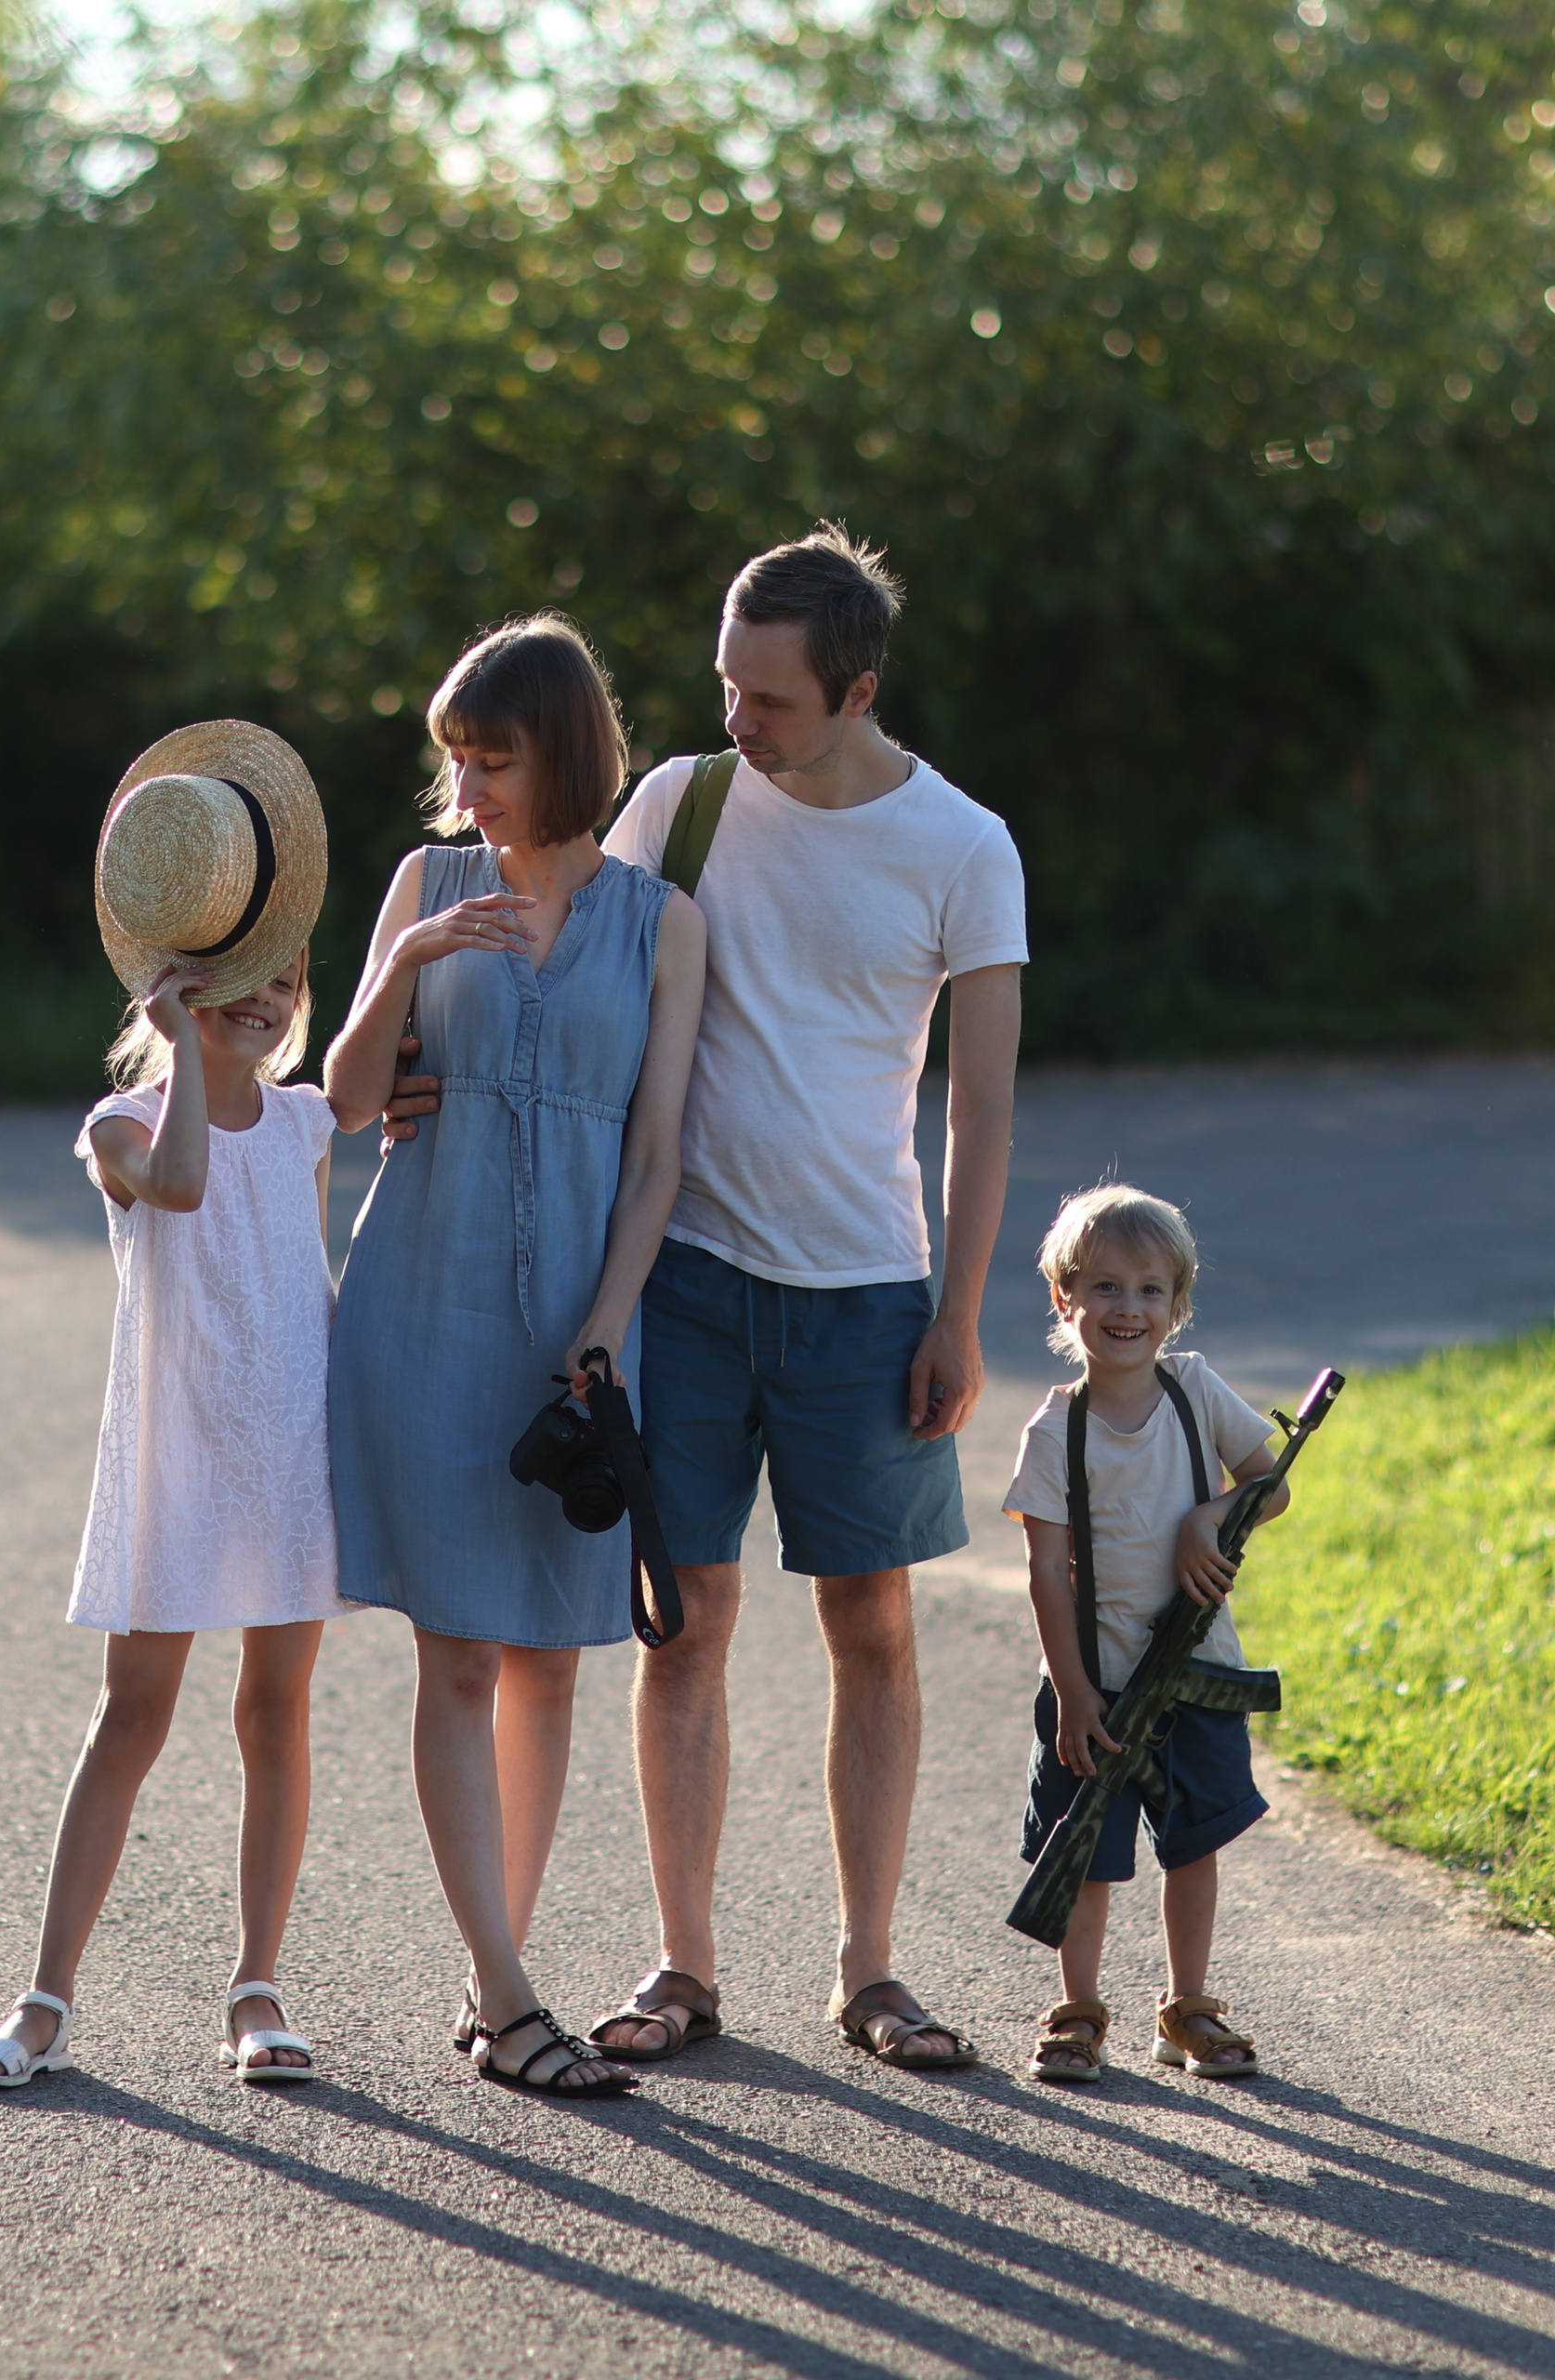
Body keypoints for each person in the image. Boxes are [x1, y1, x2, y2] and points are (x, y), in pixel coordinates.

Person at [387, 529, 1024, 2068]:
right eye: (727, 684)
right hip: (680, 1281)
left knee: (871, 1623)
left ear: (856, 691)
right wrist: (414, 1058)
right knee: (685, 1625)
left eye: (771, 698)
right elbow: (552, 950)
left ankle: (870, 1971)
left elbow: (983, 1108)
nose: (736, 716)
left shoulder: (963, 846)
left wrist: (959, 1311)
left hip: (867, 1291)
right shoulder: (685, 800)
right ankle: (685, 1967)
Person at [324, 615, 706, 2101]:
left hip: (578, 1326)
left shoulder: (664, 922)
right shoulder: (427, 884)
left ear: (566, 752)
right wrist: (406, 961)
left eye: (495, 759)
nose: (469, 788)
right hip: (423, 1303)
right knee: (459, 1653)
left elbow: (658, 1154)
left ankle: (503, 1974)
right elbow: (348, 1097)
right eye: (458, 761)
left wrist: (609, 1317)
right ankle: (507, 1993)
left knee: (548, 1656)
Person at [0, 723, 342, 2089]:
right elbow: (179, 1187)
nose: (267, 1000)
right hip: (176, 1458)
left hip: (285, 1451)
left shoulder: (306, 1125)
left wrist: (404, 957)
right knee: (131, 1716)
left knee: (275, 1712)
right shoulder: (124, 1122)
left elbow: (303, 1288)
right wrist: (180, 1053)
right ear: (178, 983)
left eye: (284, 976)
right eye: (239, 977)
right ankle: (44, 2002)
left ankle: (257, 1987)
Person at [1006, 1184, 1285, 2083]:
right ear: (1066, 1298)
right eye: (1105, 1287)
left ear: (1177, 1304)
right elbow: (1046, 1572)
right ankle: (1078, 2012)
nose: (1128, 1308)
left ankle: (1187, 2008)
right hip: (1096, 1684)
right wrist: (1073, 1692)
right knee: (1085, 1852)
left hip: (1197, 1671)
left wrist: (1210, 1517)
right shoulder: (1054, 1431)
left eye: (1150, 1290)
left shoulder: (1195, 1389)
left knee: (1193, 1845)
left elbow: (1271, 1484)